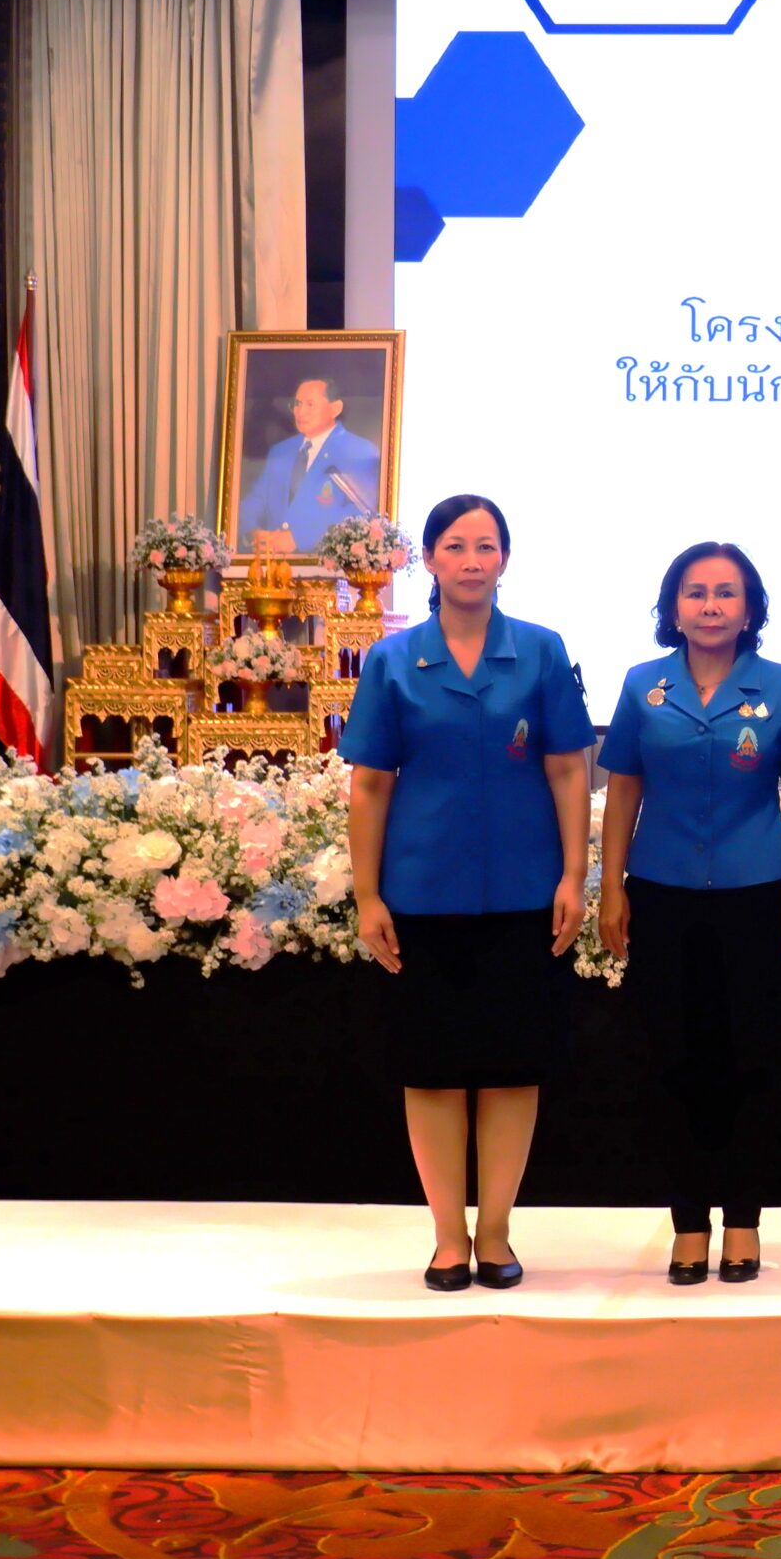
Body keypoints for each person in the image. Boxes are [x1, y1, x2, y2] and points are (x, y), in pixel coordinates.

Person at [342, 494, 594, 1292]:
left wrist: (574, 874)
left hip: (525, 895)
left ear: (505, 559)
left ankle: (496, 1231)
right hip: (422, 895)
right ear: (430, 559)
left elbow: (568, 768)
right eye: (455, 545)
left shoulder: (542, 651)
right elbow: (370, 785)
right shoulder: (393, 660)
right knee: (433, 1069)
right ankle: (449, 1236)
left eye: (486, 545)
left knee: (514, 1067)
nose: (472, 560)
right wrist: (367, 895)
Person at [596, 543, 781, 1286]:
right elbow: (623, 788)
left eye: (727, 593)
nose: (711, 605)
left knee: (750, 1055)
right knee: (673, 1057)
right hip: (661, 891)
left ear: (750, 608)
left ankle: (745, 1220)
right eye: (696, 593)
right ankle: (689, 1221)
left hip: (756, 891)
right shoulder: (644, 685)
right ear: (673, 608)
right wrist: (611, 886)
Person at [239, 376, 387, 544]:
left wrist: (298, 538)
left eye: (310, 404)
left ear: (335, 408)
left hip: (322, 559)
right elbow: (256, 499)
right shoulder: (281, 451)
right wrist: (252, 532)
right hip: (270, 557)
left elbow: (361, 511)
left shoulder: (360, 452)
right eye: (297, 404)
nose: (300, 412)